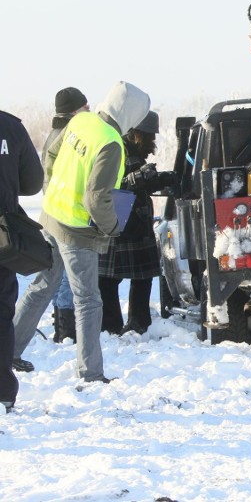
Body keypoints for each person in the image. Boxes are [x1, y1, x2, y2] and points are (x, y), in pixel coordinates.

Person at [13, 81, 150, 383]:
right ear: (130, 114)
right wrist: (112, 227)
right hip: (76, 232)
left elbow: (50, 152)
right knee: (88, 300)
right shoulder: (111, 142)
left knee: (42, 287)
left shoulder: (82, 120)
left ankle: (7, 351)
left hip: (52, 217)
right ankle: (91, 373)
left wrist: (51, 191)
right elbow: (96, 198)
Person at [99, 112, 174, 334]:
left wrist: (161, 179)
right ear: (135, 134)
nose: (152, 143)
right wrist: (136, 179)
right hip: (117, 219)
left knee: (142, 277)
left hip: (135, 221)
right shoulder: (114, 150)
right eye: (149, 137)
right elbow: (106, 184)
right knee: (107, 280)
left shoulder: (132, 152)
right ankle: (110, 327)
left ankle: (139, 324)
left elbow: (139, 182)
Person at [0, 110, 44, 413]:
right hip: (3, 236)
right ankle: (2, 391)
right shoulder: (9, 126)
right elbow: (31, 183)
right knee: (2, 315)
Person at [45, 88, 90, 344]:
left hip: (53, 210)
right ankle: (66, 330)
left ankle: (62, 326)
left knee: (55, 274)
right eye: (85, 106)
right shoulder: (66, 137)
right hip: (65, 212)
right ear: (74, 110)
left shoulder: (55, 134)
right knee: (65, 276)